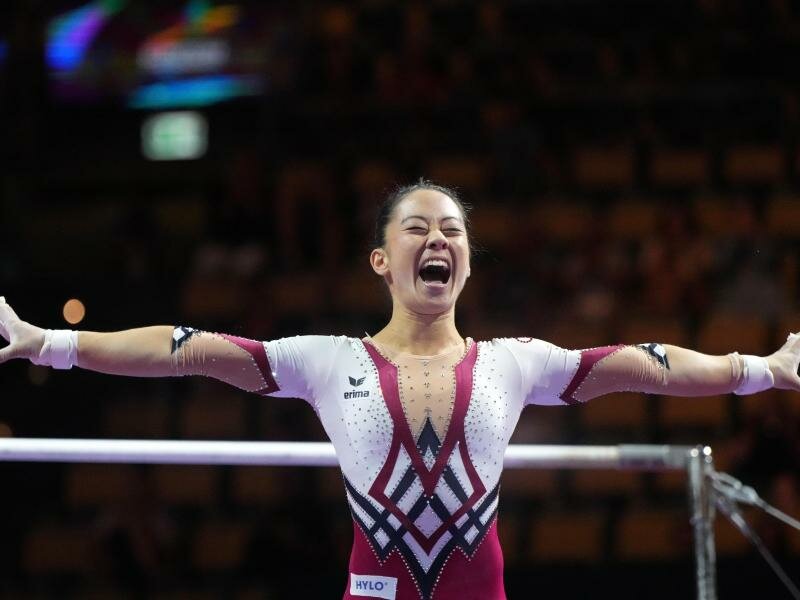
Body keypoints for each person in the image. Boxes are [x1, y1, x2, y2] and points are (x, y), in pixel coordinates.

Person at [1, 181, 799, 600]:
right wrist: (52, 344)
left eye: (452, 228)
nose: (438, 238)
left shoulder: (516, 363)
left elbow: (650, 364)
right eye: (415, 227)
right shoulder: (325, 360)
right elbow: (182, 351)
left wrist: (763, 368)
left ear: (469, 263)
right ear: (382, 261)